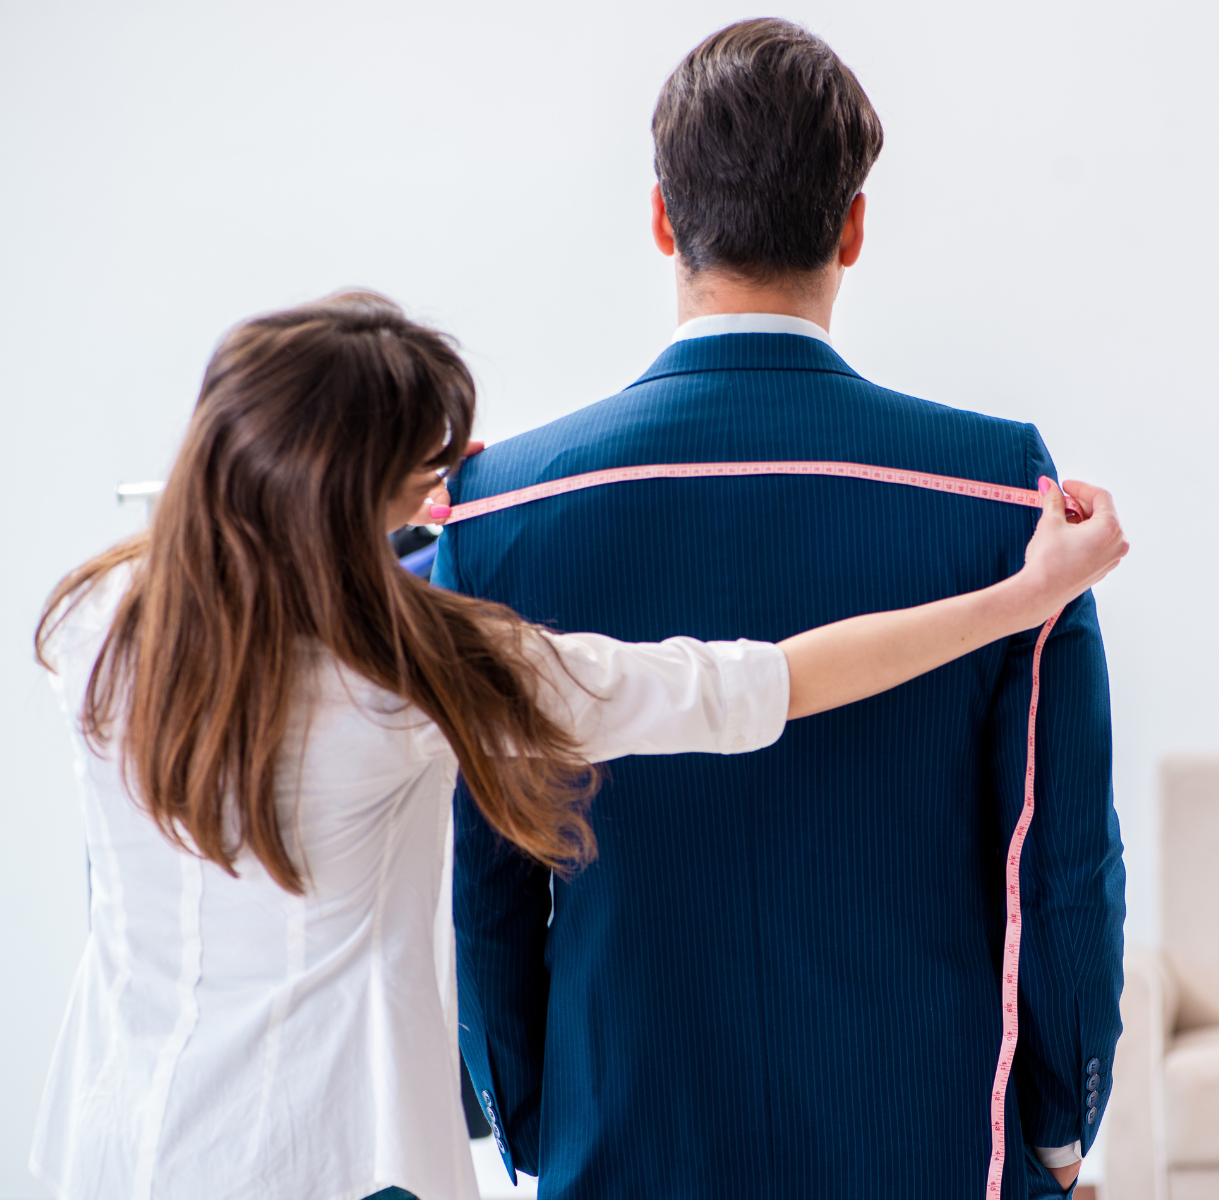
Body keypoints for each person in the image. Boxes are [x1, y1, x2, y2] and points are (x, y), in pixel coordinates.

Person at [28, 291, 1127, 1200]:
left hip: (120, 1138)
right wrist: (1021, 597)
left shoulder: (94, 632)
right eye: (428, 466)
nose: (448, 479)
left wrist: (465, 505)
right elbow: (762, 684)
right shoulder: (419, 680)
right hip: (334, 1149)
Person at [441, 20, 1127, 1199]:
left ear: (661, 217)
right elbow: (1057, 860)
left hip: (625, 1132)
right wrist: (1059, 1127)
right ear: (854, 226)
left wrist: (528, 1122)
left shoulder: (503, 508)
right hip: (930, 1135)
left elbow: (482, 884)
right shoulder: (1000, 499)